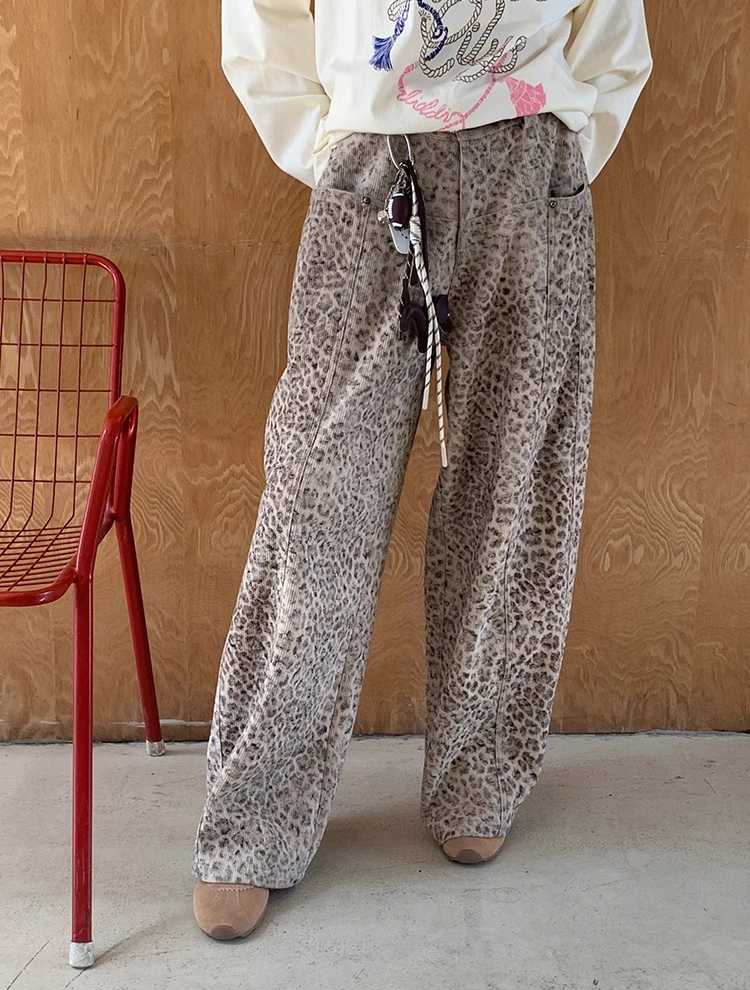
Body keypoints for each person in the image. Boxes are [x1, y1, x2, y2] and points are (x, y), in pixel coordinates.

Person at [192, 0, 653, 940]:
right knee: (318, 493)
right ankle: (254, 817)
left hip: (528, 157)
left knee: (513, 487)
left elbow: (613, 28)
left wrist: (562, 147)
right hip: (370, 164)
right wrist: (336, 141)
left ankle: (479, 778)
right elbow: (261, 23)